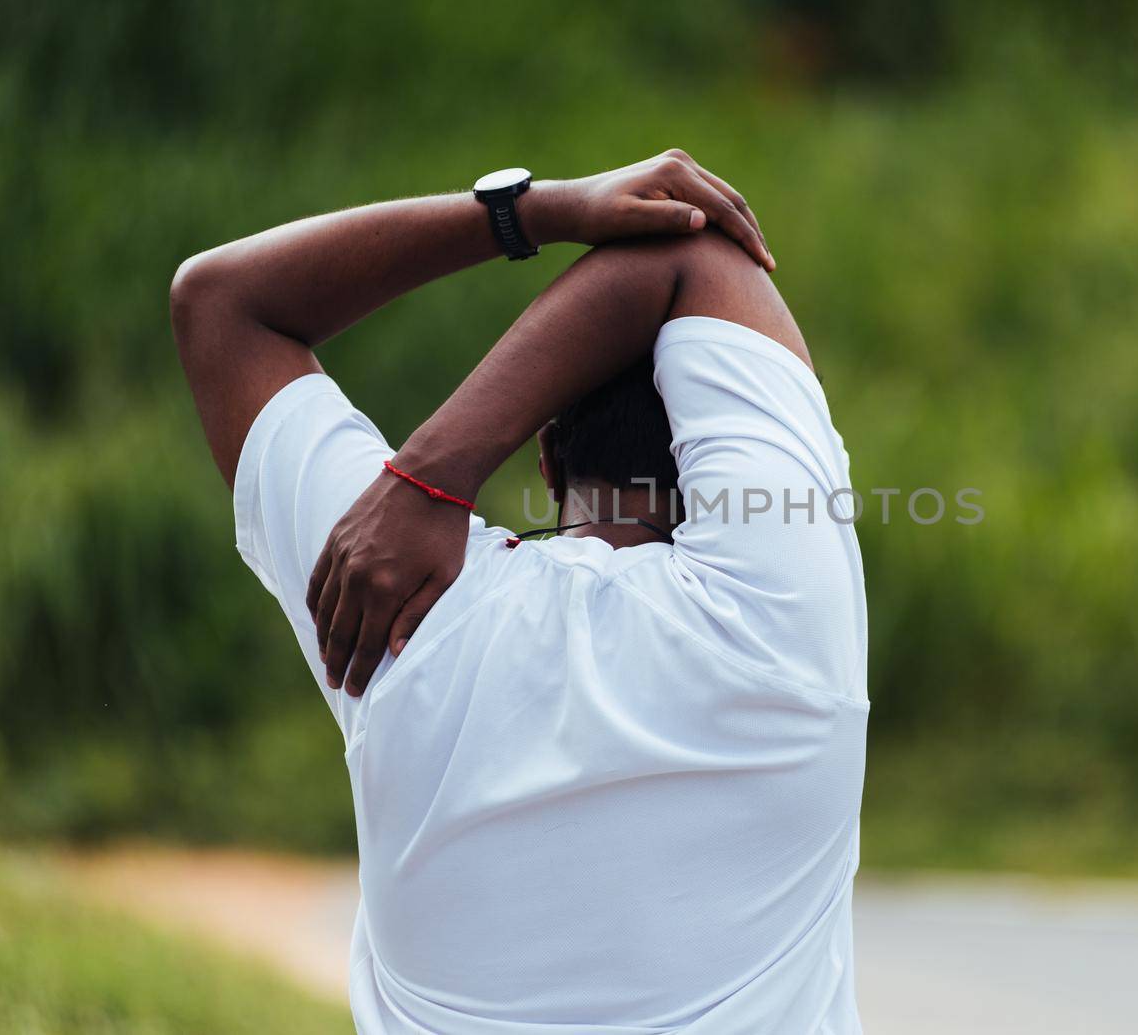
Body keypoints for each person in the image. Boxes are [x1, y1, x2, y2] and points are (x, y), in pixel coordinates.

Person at [170, 150, 869, 1033]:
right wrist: (428, 476)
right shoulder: (787, 621)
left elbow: (222, 301)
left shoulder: (399, 611)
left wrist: (535, 214)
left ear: (543, 457)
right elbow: (704, 258)